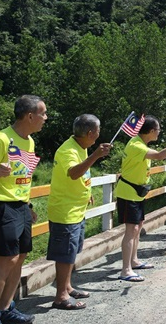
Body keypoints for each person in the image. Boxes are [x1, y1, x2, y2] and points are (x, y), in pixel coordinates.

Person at [0, 95, 47, 324]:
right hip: (2, 206)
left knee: (21, 257)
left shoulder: (30, 142)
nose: (45, 118)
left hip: (21, 206)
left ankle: (6, 309)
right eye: (43, 114)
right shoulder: (1, 139)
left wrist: (28, 205)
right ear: (30, 116)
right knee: (7, 260)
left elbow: (22, 179)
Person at [115, 115, 166, 281]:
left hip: (136, 193)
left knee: (138, 227)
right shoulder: (136, 145)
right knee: (131, 230)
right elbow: (159, 155)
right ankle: (125, 270)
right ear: (151, 131)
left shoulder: (140, 144)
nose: (159, 133)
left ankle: (134, 261)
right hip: (128, 193)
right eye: (158, 130)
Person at [47, 114, 112, 310]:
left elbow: (81, 176)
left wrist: (87, 192)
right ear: (91, 133)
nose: (99, 134)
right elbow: (74, 173)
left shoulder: (81, 147)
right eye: (98, 131)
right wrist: (95, 156)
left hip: (76, 209)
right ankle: (60, 297)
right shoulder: (67, 150)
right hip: (65, 211)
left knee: (72, 252)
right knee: (64, 254)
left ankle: (67, 287)